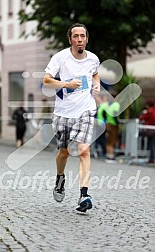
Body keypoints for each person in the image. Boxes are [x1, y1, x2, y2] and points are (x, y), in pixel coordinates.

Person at [43, 23, 100, 213]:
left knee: (84, 150)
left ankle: (84, 195)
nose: (79, 39)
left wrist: (97, 85)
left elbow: (95, 73)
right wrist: (66, 84)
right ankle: (60, 178)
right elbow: (47, 80)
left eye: (82, 36)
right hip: (63, 113)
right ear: (70, 40)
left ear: (87, 38)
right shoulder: (60, 57)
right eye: (75, 36)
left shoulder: (93, 58)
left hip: (85, 110)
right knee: (64, 152)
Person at [102, 94, 120, 163]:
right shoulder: (116, 104)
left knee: (108, 140)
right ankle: (111, 156)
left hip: (108, 123)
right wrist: (117, 123)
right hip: (113, 124)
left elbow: (103, 113)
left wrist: (106, 120)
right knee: (112, 140)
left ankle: (108, 155)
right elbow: (115, 114)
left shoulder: (107, 105)